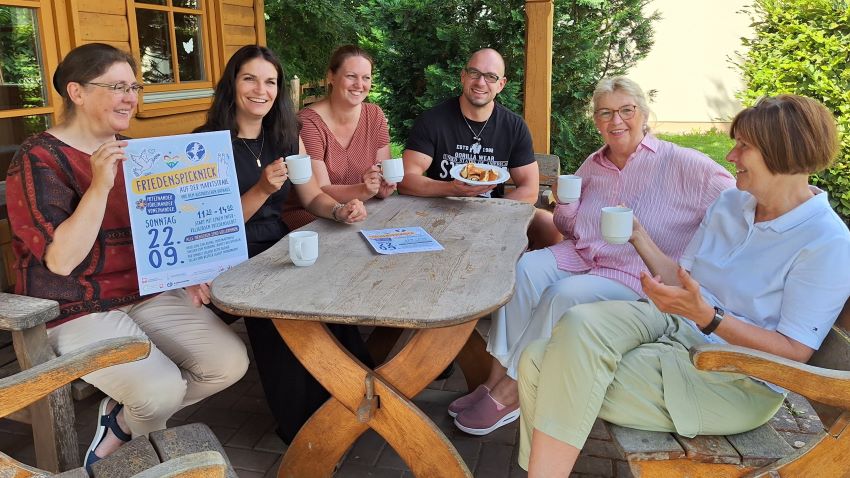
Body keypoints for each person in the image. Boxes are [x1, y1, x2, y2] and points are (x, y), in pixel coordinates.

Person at [518, 94, 850, 476]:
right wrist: (639, 236)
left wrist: (710, 318)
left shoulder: (825, 242)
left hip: (735, 379)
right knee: (576, 323)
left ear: (782, 153)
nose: (731, 157)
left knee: (541, 362)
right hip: (679, 329)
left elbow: (794, 353)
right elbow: (683, 279)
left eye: (744, 146)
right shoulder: (731, 204)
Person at [4, 43, 249, 470]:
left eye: (133, 86)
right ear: (76, 92)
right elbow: (61, 261)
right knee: (160, 391)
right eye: (117, 86)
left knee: (228, 362)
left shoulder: (137, 153)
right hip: (74, 306)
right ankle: (131, 454)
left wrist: (183, 273)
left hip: (144, 291)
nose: (131, 98)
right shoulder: (38, 157)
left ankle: (120, 423)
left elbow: (158, 230)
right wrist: (99, 184)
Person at [449, 76, 735, 435]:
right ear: (596, 121)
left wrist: (705, 261)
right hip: (583, 257)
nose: (616, 121)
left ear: (644, 114)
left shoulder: (685, 164)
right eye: (605, 113)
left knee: (561, 296)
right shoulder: (593, 164)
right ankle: (493, 380)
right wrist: (565, 205)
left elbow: (738, 204)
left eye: (625, 111)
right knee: (523, 270)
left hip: (633, 275)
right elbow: (571, 228)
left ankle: (512, 393)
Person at [192, 44, 371, 444]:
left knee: (330, 304)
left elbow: (312, 197)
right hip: (227, 254)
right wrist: (259, 189)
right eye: (250, 79)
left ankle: (354, 399)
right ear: (232, 84)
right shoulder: (204, 144)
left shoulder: (286, 137)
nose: (261, 90)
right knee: (280, 323)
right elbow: (207, 227)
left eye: (270, 81)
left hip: (275, 247)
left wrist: (338, 211)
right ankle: (303, 430)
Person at [398, 48, 562, 250]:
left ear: (501, 84)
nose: (480, 82)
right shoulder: (433, 121)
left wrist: (490, 212)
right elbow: (406, 180)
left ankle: (519, 276)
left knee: (549, 225)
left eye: (491, 77)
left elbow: (529, 189)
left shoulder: (513, 126)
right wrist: (451, 189)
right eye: (474, 73)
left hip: (495, 212)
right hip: (439, 211)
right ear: (463, 76)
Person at [282, 44, 393, 231]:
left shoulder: (375, 115)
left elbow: (382, 176)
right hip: (312, 216)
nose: (359, 85)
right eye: (351, 76)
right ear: (331, 76)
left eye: (366, 77)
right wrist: (364, 190)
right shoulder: (308, 123)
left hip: (360, 210)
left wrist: (382, 187)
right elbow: (320, 190)